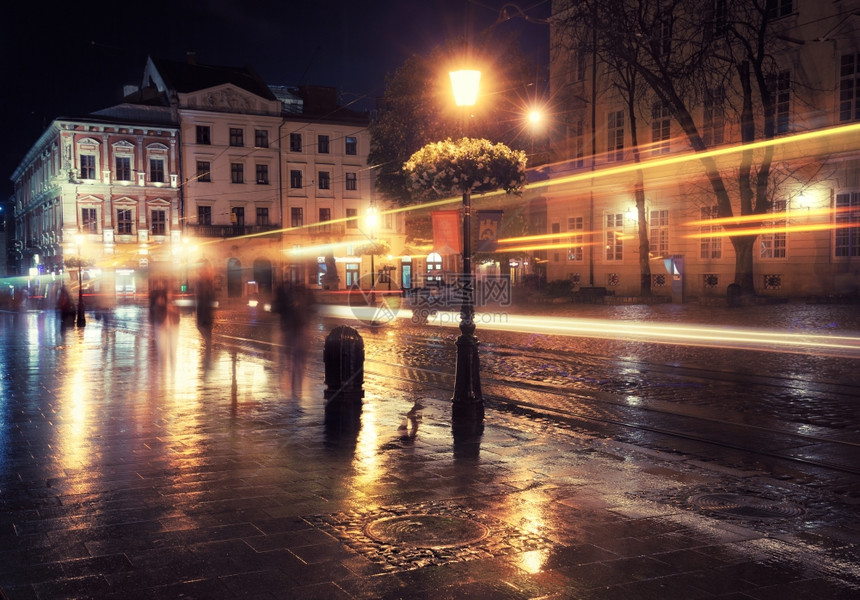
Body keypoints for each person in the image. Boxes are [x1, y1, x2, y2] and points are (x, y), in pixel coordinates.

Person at [273, 281, 316, 398]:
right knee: (297, 360)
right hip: (295, 331)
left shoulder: (292, 298)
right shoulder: (290, 299)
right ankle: (296, 386)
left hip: (296, 331)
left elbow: (277, 309)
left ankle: (296, 386)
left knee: (296, 359)